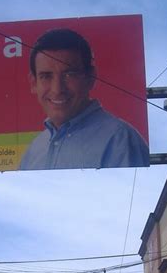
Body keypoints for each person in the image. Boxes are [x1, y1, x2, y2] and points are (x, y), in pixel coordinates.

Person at [20, 28, 149, 170]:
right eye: (46, 76)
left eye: (69, 74)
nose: (57, 89)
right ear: (33, 83)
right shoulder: (34, 150)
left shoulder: (120, 140)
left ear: (90, 78)